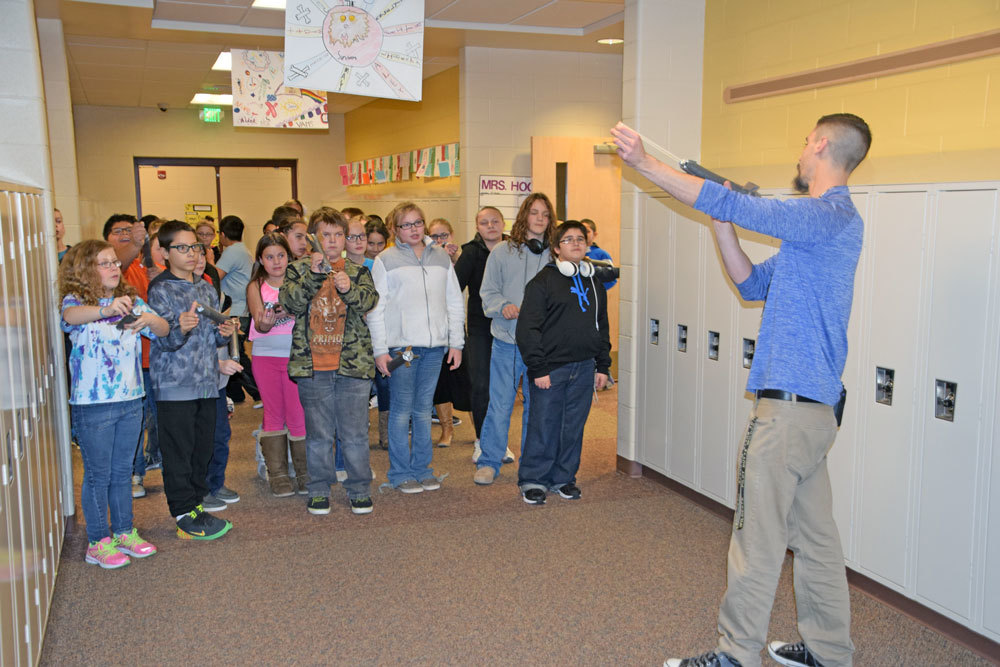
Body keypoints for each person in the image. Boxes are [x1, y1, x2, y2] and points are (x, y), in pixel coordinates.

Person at [612, 114, 871, 667]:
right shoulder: (819, 232)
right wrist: (722, 225)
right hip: (811, 416)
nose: (801, 149)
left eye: (806, 140)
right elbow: (752, 284)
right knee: (817, 541)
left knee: (756, 539)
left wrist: (643, 163)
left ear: (823, 144)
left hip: (788, 416)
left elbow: (740, 204)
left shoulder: (823, 214)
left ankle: (736, 654)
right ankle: (828, 652)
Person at [59, 240, 167, 568]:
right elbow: (70, 317)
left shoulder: (131, 300)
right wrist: (107, 310)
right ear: (85, 269)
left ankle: (123, 532)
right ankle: (97, 541)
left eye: (115, 263)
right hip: (93, 405)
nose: (113, 268)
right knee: (98, 474)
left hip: (131, 400)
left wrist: (146, 320)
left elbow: (163, 328)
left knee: (122, 472)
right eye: (104, 263)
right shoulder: (76, 300)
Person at [281, 207, 379, 515]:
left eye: (339, 234)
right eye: (326, 234)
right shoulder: (298, 270)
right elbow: (290, 302)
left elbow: (370, 301)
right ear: (313, 238)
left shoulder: (358, 271)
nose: (333, 241)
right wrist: (313, 275)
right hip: (313, 366)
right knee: (319, 435)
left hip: (352, 366)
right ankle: (319, 488)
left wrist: (349, 289)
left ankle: (359, 488)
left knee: (354, 434)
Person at [148, 220, 237, 541]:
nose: (191, 253)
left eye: (195, 247)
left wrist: (223, 332)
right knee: (179, 451)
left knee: (202, 448)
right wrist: (180, 328)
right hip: (175, 384)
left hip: (206, 381)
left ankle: (196, 504)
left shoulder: (205, 287)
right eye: (182, 248)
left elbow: (211, 339)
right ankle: (183, 511)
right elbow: (163, 340)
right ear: (164, 253)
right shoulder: (160, 290)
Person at [368, 202, 464, 493]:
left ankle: (422, 469)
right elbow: (376, 308)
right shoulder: (386, 260)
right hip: (403, 349)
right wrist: (380, 350)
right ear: (395, 229)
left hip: (434, 348)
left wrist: (456, 342)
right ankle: (400, 473)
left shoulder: (441, 258)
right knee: (401, 410)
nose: (413, 229)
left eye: (418, 223)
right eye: (406, 224)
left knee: (423, 410)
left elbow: (454, 301)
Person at [515, 221, 610, 505]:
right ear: (556, 248)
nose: (576, 243)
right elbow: (527, 330)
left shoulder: (594, 282)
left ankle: (563, 478)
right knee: (544, 426)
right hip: (551, 369)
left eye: (580, 238)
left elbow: (601, 326)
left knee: (573, 428)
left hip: (584, 367)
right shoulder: (541, 283)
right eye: (568, 239)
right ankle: (533, 479)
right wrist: (538, 368)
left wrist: (603, 366)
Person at [473, 193, 557, 485]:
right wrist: (503, 306)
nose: (540, 219)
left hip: (543, 346)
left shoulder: (556, 256)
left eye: (545, 214)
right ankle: (489, 461)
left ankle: (531, 464)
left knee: (538, 407)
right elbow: (487, 292)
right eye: (534, 213)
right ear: (524, 216)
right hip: (507, 341)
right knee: (500, 404)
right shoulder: (501, 252)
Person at [247, 233, 308, 497]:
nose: (276, 262)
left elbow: (309, 313)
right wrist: (266, 322)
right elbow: (259, 324)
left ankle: (304, 473)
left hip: (296, 356)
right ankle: (278, 474)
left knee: (297, 413)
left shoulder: (299, 281)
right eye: (269, 257)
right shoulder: (255, 286)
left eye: (281, 255)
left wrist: (290, 311)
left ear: (288, 256)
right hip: (265, 356)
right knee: (273, 413)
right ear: (261, 260)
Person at [102, 214, 153, 498]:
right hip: (116, 368)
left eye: (128, 230)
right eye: (117, 231)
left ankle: (138, 470)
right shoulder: (112, 266)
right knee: (130, 424)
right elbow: (121, 258)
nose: (124, 234)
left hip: (147, 356)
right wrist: (134, 242)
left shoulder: (140, 266)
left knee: (145, 420)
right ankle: (132, 474)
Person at [193, 248, 243, 512]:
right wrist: (216, 364)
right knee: (199, 439)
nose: (198, 260)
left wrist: (228, 329)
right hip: (196, 382)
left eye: (202, 255)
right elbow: (188, 345)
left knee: (220, 435)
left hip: (218, 382)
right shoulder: (177, 294)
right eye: (191, 253)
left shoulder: (213, 291)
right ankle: (200, 490)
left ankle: (216, 483)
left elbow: (215, 334)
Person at [455, 206, 507, 454]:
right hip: (479, 329)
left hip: (509, 327)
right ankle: (482, 440)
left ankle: (499, 441)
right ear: (477, 227)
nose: (490, 226)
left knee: (503, 388)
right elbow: (454, 287)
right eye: (484, 222)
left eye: (495, 221)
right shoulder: (471, 252)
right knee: (481, 385)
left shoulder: (514, 250)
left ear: (503, 224)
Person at [426, 218, 469, 447]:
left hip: (457, 325)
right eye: (434, 236)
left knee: (467, 379)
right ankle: (447, 429)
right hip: (433, 327)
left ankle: (480, 433)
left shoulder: (460, 258)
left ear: (452, 235)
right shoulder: (425, 258)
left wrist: (454, 259)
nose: (440, 240)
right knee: (440, 382)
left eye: (444, 235)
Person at [215, 215, 259, 405]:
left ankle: (259, 392)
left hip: (236, 310)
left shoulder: (232, 251)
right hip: (241, 308)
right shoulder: (243, 249)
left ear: (223, 235)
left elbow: (214, 277)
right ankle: (237, 394)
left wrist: (209, 260)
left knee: (236, 354)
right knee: (233, 352)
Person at [365, 217, 391, 448]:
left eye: (379, 243)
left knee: (385, 383)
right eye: (370, 243)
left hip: (385, 331)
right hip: (361, 333)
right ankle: (359, 428)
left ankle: (386, 433)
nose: (374, 248)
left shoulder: (389, 262)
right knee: (362, 383)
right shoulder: (359, 265)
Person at [580, 218, 617, 291]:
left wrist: (596, 290)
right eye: (581, 231)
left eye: (587, 231)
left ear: (595, 234)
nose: (584, 234)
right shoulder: (573, 253)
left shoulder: (602, 254)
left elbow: (611, 279)